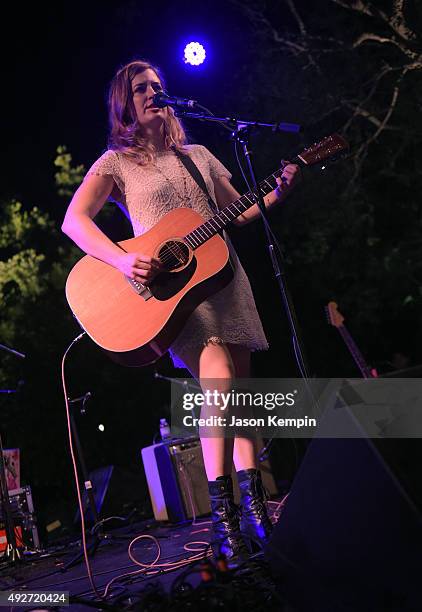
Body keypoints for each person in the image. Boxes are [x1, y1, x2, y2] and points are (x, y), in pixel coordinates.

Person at [62, 59, 300, 561]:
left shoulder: (197, 154)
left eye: (158, 86)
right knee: (218, 383)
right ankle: (225, 518)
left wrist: (276, 191)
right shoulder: (115, 163)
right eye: (141, 87)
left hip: (223, 278)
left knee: (238, 395)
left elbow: (241, 210)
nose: (152, 92)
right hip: (173, 294)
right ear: (124, 102)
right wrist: (124, 259)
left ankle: (255, 509)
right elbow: (74, 221)